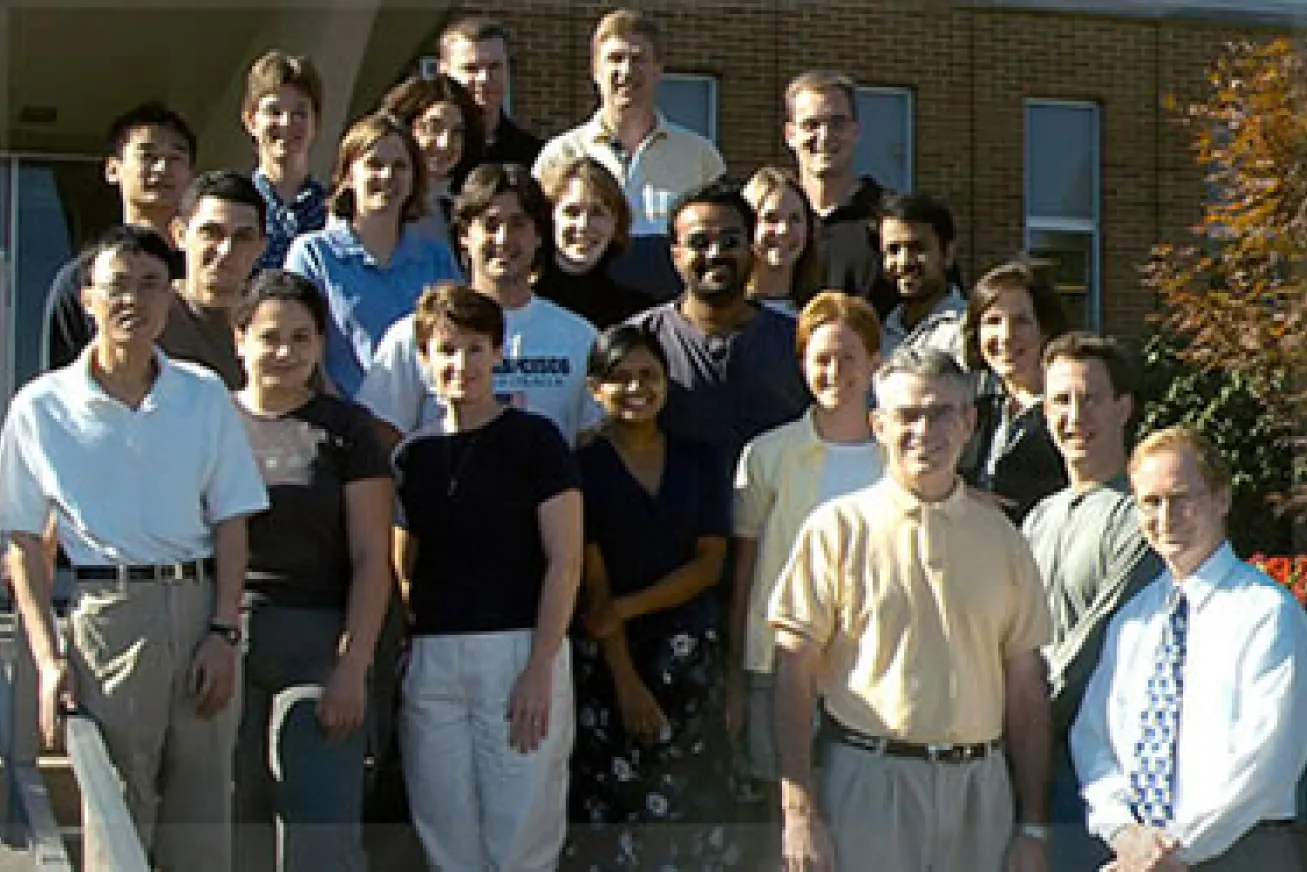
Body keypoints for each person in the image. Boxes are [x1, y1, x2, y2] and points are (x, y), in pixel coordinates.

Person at [0, 225, 268, 872]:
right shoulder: (42, 407)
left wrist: (225, 631)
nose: (134, 300)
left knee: (201, 821)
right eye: (117, 285)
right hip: (107, 615)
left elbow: (233, 519)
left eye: (151, 285)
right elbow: (21, 540)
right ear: (87, 299)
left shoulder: (202, 393)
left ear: (169, 299)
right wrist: (46, 655)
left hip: (201, 608)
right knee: (117, 823)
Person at [770, 348, 1053, 872]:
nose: (926, 430)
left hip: (980, 792)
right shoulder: (836, 529)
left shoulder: (1003, 539)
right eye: (907, 415)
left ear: (969, 422)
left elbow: (1025, 681)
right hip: (870, 784)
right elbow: (793, 668)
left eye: (943, 412)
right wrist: (799, 810)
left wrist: (1032, 823)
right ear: (878, 424)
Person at [394, 283, 582, 872]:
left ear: (499, 354)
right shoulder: (411, 456)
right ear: (424, 359)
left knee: (522, 831)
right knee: (445, 834)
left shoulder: (536, 441)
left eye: (476, 349)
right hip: (434, 661)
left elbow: (565, 561)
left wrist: (539, 667)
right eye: (446, 350)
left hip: (519, 649)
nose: (462, 364)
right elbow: (403, 567)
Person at [1073, 427, 1307, 870]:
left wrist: (1175, 849)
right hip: (1141, 857)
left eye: (1182, 499)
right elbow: (1093, 738)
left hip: (1240, 850)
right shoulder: (1134, 621)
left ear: (1221, 499)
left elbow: (1270, 757)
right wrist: (1124, 831)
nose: (1166, 518)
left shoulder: (1266, 613)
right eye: (1151, 502)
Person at [231, 270, 394, 872]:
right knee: (231, 820)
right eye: (271, 337)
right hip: (228, 637)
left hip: (321, 640)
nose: (285, 353)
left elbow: (373, 559)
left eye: (302, 338)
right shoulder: (210, 420)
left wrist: (353, 666)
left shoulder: (347, 430)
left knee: (321, 829)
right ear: (239, 338)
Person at [566, 325, 739, 869]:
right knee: (617, 817)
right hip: (614, 664)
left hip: (691, 660)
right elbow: (594, 587)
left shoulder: (699, 458)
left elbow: (711, 562)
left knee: (694, 810)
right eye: (621, 378)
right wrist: (625, 680)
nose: (637, 388)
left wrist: (627, 606)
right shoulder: (581, 467)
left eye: (650, 375)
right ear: (595, 388)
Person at [729, 291, 885, 807]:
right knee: (786, 830)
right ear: (802, 366)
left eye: (849, 358)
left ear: (874, 364)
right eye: (821, 359)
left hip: (873, 670)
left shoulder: (902, 459)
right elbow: (746, 572)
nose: (835, 372)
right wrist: (736, 674)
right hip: (780, 670)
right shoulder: (767, 455)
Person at [1021, 332, 1163, 870]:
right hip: (1034, 759)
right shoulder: (1040, 517)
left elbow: (1090, 647)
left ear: (1123, 408)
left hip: (1100, 771)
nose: (1074, 415)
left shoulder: (1142, 517)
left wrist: (1020, 717)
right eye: (1060, 400)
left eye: (1090, 398)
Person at [356, 163, 599, 448]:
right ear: (464, 235)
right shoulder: (414, 334)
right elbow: (380, 437)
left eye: (518, 224)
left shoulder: (579, 337)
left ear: (539, 236)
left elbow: (593, 439)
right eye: (490, 224)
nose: (503, 239)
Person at [534, 8, 727, 301]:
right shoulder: (559, 156)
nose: (626, 71)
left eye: (638, 59)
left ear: (658, 69)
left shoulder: (700, 158)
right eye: (615, 59)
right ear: (595, 70)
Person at [628, 180, 809, 466]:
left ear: (752, 248)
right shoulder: (640, 340)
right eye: (699, 243)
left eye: (730, 242)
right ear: (676, 256)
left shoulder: (798, 343)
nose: (715, 254)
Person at [284, 112, 461, 397]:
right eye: (374, 165)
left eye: (400, 166)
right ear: (348, 176)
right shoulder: (314, 255)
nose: (387, 176)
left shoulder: (435, 257)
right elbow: (300, 348)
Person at [43, 101, 196, 369]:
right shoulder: (81, 278)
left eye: (175, 158)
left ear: (190, 174)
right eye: (148, 156)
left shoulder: (204, 271)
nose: (162, 169)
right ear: (113, 170)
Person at [958, 260, 1068, 523]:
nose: (1006, 335)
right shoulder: (976, 411)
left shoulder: (1069, 412)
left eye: (1021, 321)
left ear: (1046, 328)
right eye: (993, 321)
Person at [782, 71, 894, 318]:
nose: (825, 136)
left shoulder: (890, 219)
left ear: (856, 131)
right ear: (790, 134)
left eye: (838, 123)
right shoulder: (773, 223)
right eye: (811, 125)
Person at [159, 169, 268, 389]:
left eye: (242, 237)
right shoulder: (150, 315)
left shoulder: (276, 322)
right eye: (211, 232)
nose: (226, 250)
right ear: (179, 234)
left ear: (261, 247)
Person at [535, 155, 654, 328]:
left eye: (597, 213)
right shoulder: (522, 301)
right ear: (549, 217)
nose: (583, 225)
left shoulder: (636, 315)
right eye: (572, 212)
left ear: (616, 224)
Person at [242, 50, 328, 270]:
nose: (287, 123)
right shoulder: (238, 205)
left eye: (300, 113)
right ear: (251, 120)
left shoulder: (333, 212)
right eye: (274, 111)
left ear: (315, 123)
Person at [379, 72, 484, 248]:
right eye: (434, 127)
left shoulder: (469, 209)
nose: (445, 144)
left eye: (457, 132)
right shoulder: (380, 201)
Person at [438, 17, 544, 167]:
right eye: (471, 68)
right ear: (443, 72)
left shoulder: (535, 158)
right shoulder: (423, 153)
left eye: (494, 67)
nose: (484, 79)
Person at [877, 192, 968, 366]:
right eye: (893, 250)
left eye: (917, 248)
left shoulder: (970, 330)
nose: (904, 262)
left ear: (948, 253)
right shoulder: (879, 334)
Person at [740, 166, 824, 318]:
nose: (783, 230)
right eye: (771, 219)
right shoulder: (727, 312)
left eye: (795, 219)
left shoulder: (820, 314)